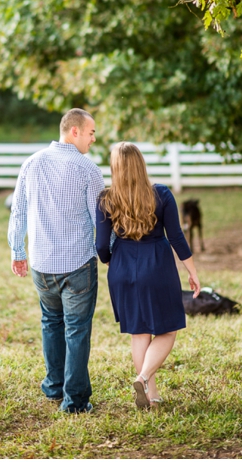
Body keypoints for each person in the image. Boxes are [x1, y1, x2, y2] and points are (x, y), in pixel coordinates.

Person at [7, 108, 104, 414]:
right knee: (76, 329)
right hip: (77, 264)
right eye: (90, 132)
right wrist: (109, 253)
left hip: (42, 263)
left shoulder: (31, 163)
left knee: (51, 322)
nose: (93, 138)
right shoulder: (88, 169)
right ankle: (73, 401)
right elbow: (101, 221)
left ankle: (53, 385)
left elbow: (18, 212)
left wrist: (17, 252)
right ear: (74, 131)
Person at [95, 142, 200, 409]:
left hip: (122, 267)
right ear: (141, 164)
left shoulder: (106, 199)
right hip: (157, 266)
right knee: (168, 329)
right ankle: (143, 379)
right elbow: (176, 237)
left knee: (139, 333)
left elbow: (100, 245)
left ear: (115, 167)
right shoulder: (161, 194)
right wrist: (192, 271)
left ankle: (151, 395)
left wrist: (111, 262)